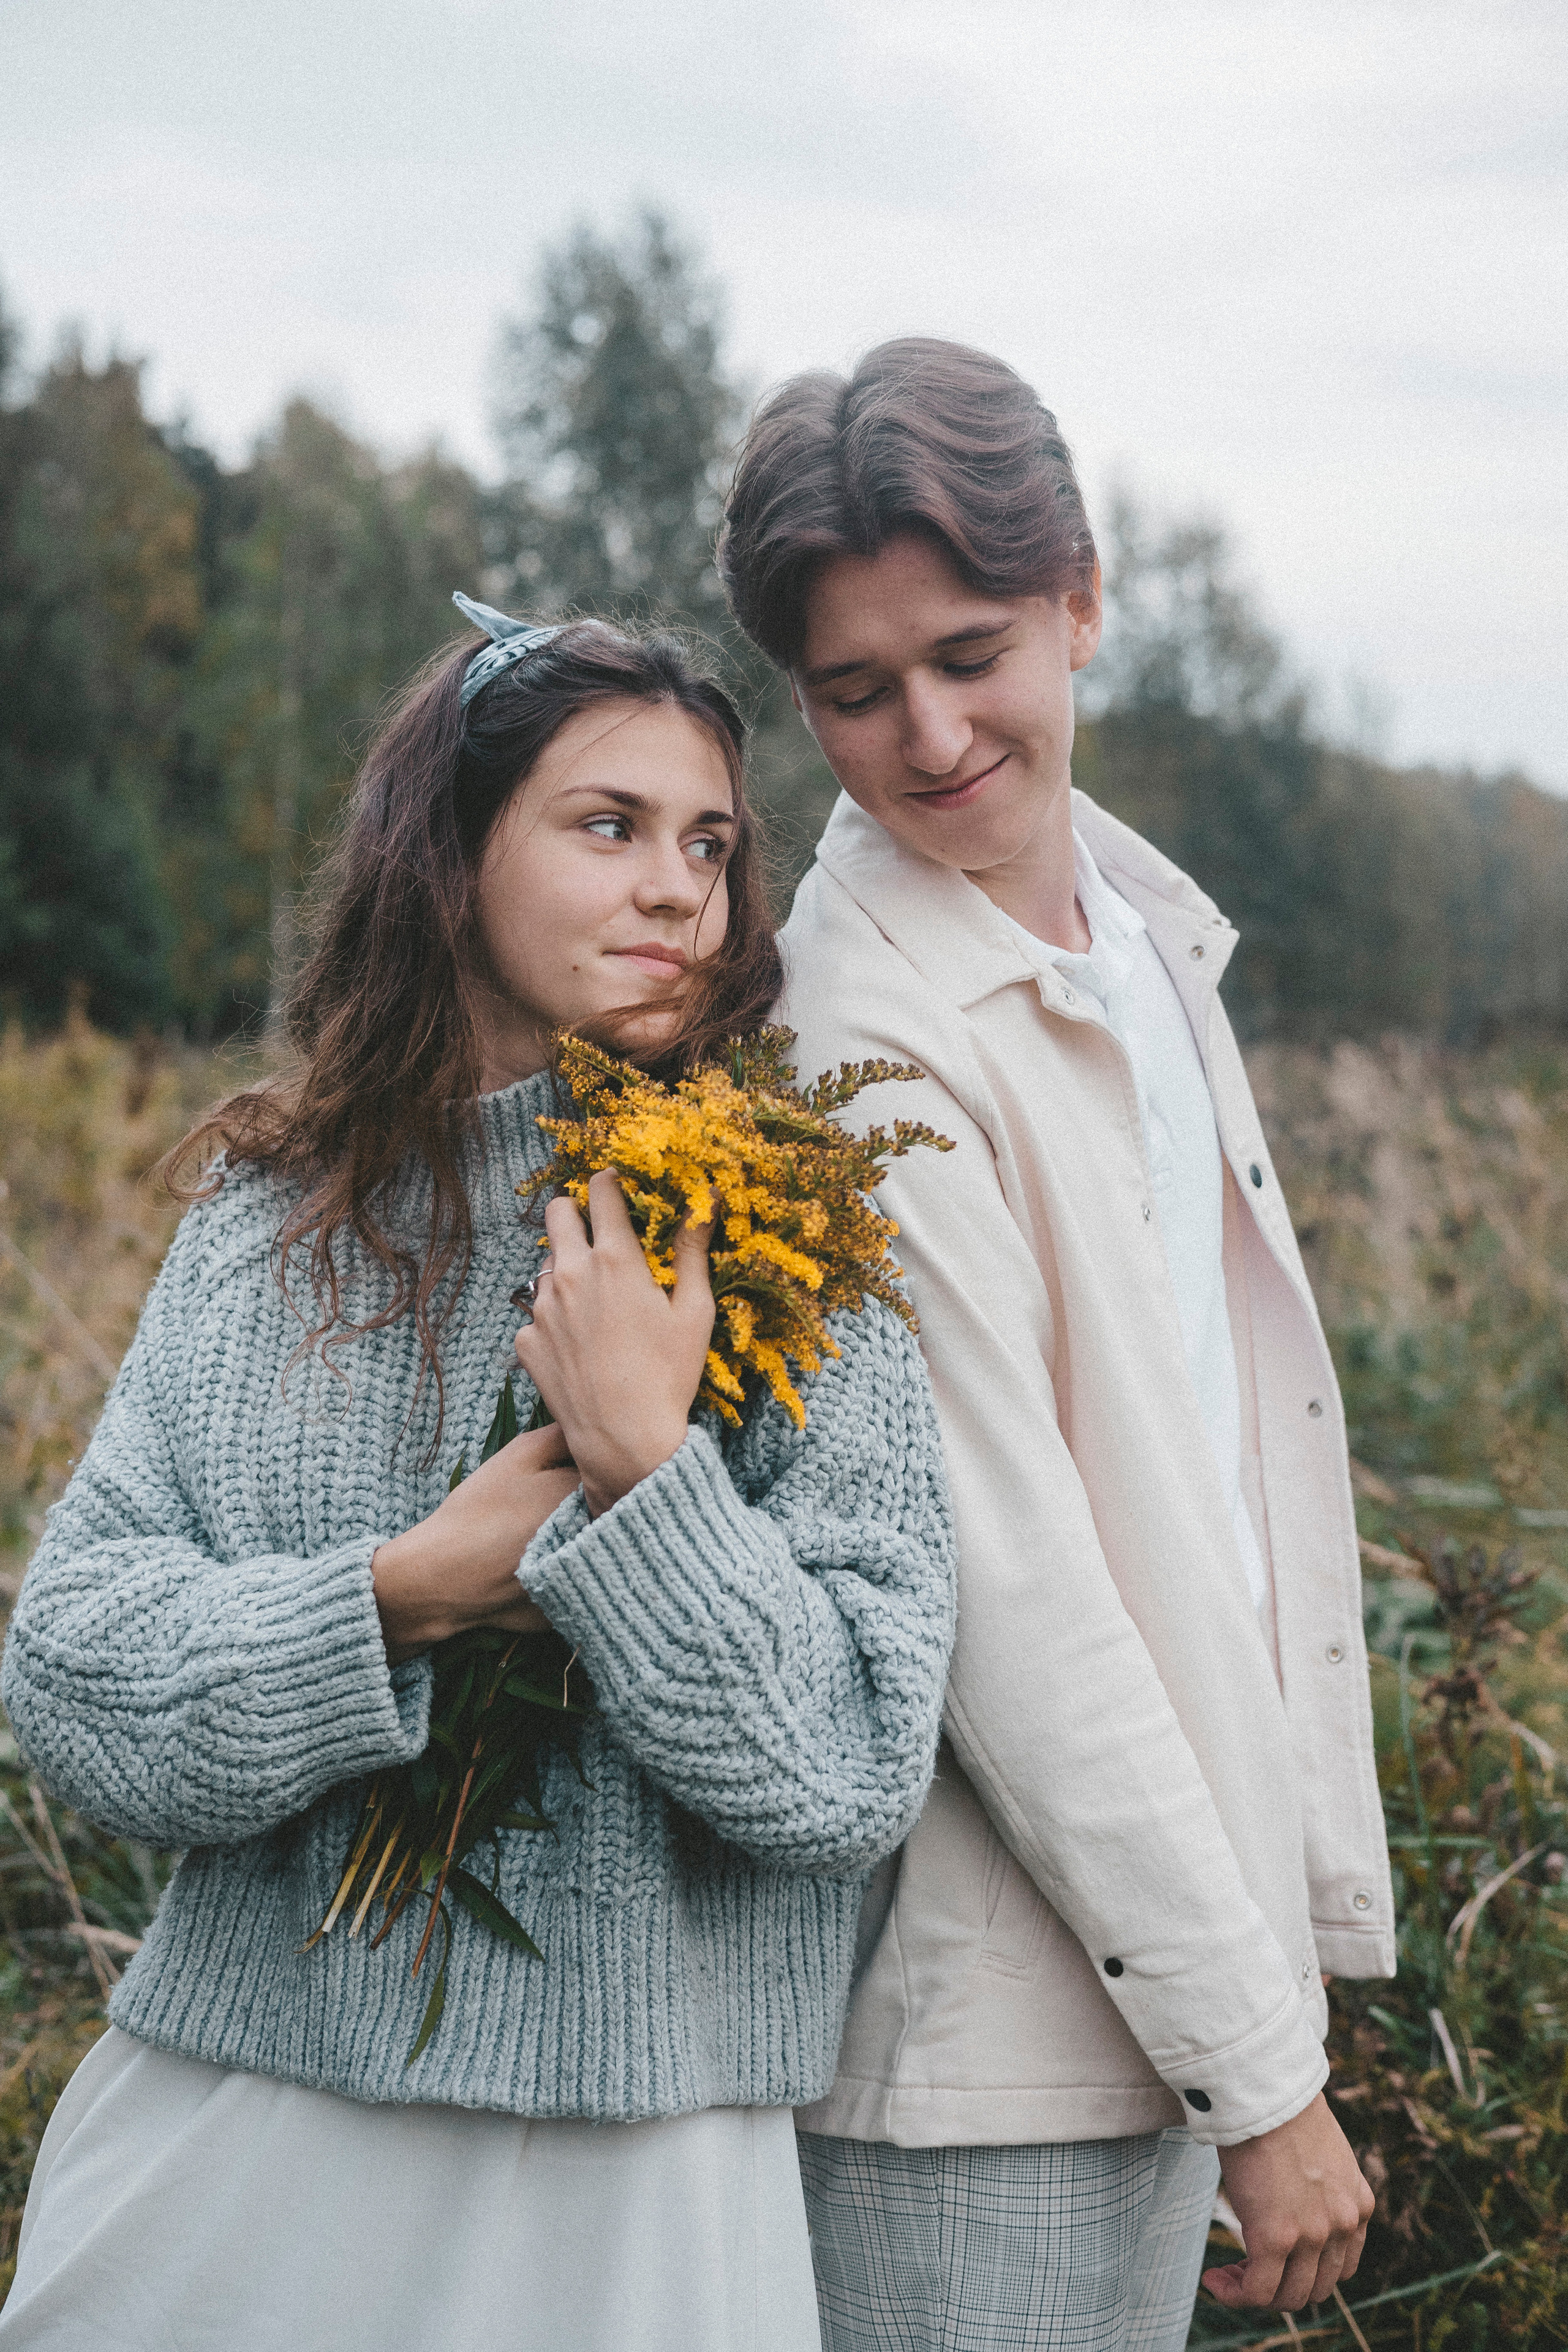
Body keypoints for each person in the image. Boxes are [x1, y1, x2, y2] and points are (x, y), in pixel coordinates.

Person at [0, 597, 955, 2350]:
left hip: (632, 2195)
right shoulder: (271, 1224)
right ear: (449, 854)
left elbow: (847, 1768)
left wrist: (649, 1474)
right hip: (238, 2138)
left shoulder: (787, 1239)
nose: (678, 892)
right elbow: (68, 1682)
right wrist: (405, 1594)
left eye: (711, 845)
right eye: (609, 826)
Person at [718, 339, 1392, 2351]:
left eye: (971, 654)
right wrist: (1258, 2071)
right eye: (856, 690)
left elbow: (1209, 1491)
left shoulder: (1141, 939)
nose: (930, 736)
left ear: (1082, 599)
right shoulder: (861, 1036)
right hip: (982, 2055)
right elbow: (1010, 1595)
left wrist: (1265, 1986)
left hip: (1166, 1990)